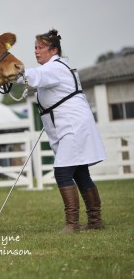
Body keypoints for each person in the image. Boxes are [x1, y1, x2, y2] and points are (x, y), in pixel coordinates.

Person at [20, 29, 106, 233]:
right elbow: (37, 80)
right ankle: (95, 221)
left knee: (62, 171)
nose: (36, 51)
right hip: (67, 124)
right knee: (81, 173)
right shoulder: (53, 68)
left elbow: (33, 76)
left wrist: (12, 71)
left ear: (54, 50)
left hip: (72, 124)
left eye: (40, 47)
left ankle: (72, 224)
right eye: (35, 47)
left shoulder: (55, 67)